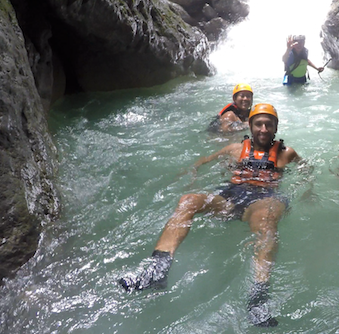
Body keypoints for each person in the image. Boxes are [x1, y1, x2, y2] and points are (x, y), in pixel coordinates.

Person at [119, 104, 299, 327]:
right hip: (232, 194)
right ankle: (156, 269)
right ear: (250, 126)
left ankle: (258, 296)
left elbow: (306, 169)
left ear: (276, 127)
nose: (263, 129)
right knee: (188, 200)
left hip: (265, 198)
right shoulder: (234, 148)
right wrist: (191, 174)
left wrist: (307, 190)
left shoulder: (286, 153)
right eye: (258, 124)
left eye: (268, 124)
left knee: (266, 219)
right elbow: (203, 161)